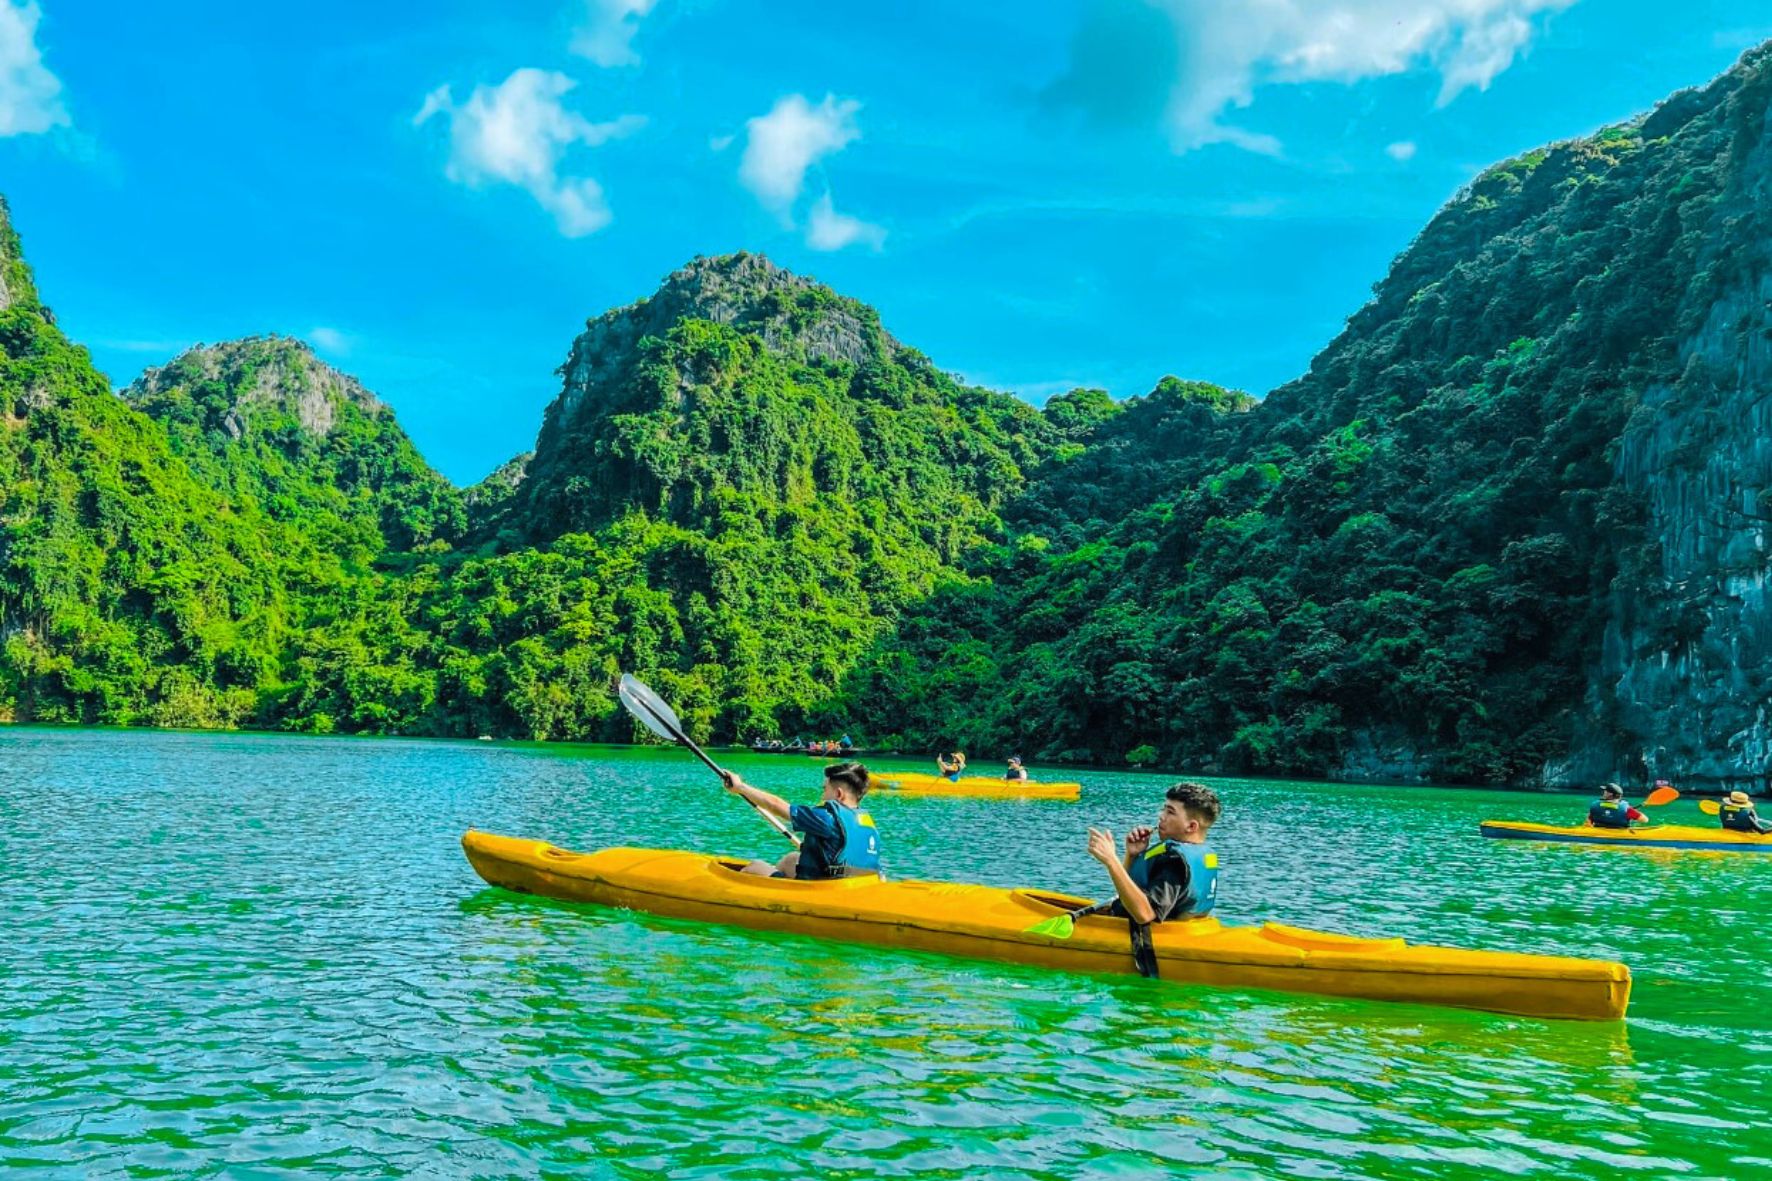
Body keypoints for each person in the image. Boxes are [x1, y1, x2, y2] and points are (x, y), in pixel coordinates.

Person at [1086, 781, 1221, 925]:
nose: (1161, 816)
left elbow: (1145, 914)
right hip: (1188, 931)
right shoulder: (1202, 854)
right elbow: (1127, 896)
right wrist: (1132, 856)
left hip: (1147, 938)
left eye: (1170, 812)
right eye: (1164, 809)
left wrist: (1111, 860)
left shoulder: (1174, 861)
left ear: (1191, 826)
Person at [725, 761, 882, 879]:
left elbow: (775, 805)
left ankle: (776, 892)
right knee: (791, 859)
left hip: (822, 887)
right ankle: (779, 881)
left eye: (824, 789)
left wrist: (740, 787)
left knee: (754, 866)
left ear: (839, 794)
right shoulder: (866, 821)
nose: (822, 796)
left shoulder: (826, 817)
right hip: (852, 883)